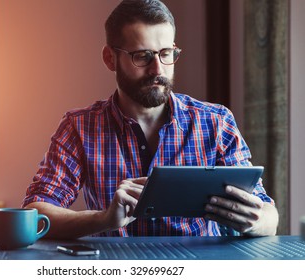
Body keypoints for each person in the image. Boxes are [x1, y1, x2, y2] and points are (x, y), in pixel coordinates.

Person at [22, 0, 279, 239]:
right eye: (142, 56)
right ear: (110, 58)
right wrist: (103, 219)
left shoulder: (216, 121)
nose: (158, 69)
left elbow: (268, 215)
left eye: (166, 53)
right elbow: (35, 213)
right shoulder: (79, 127)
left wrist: (256, 221)